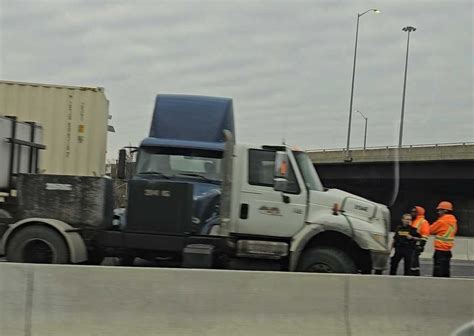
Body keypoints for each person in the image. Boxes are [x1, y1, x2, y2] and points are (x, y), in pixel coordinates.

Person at [430, 201, 457, 277]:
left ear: (445, 210)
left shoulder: (442, 221)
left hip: (440, 250)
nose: (438, 212)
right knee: (445, 273)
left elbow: (430, 230)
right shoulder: (454, 221)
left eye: (440, 210)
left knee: (438, 273)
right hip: (448, 251)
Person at [409, 206, 430, 276]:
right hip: (410, 244)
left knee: (414, 261)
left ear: (418, 213)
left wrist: (421, 245)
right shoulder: (411, 221)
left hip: (417, 244)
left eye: (414, 212)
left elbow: (425, 234)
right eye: (412, 211)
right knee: (411, 261)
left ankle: (415, 274)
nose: (412, 213)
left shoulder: (423, 222)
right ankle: (411, 274)